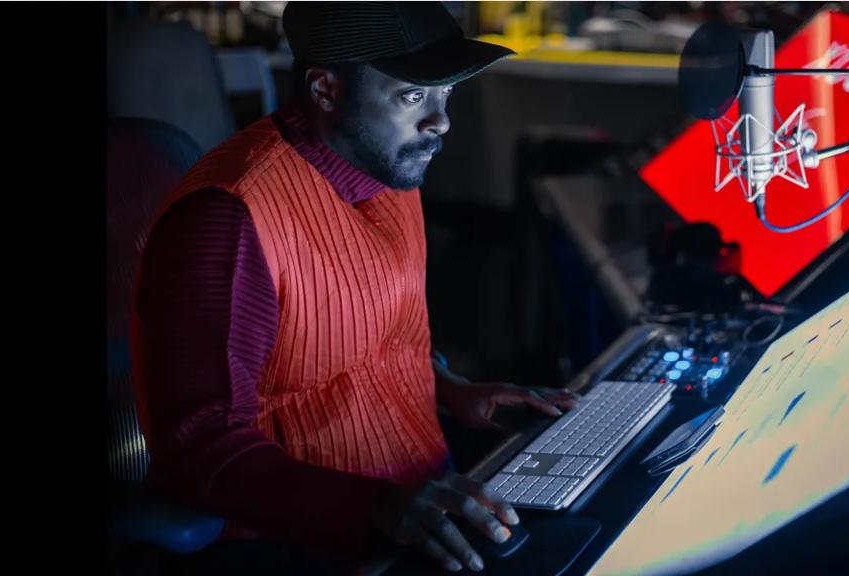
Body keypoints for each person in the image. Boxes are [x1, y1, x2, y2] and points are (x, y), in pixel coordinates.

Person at [131, 2, 579, 572]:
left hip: (422, 505)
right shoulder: (228, 221)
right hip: (303, 545)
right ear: (324, 89)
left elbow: (363, 336)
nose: (440, 121)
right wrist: (379, 509)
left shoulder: (387, 165)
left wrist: (452, 389)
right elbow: (199, 451)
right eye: (413, 96)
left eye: (446, 94)